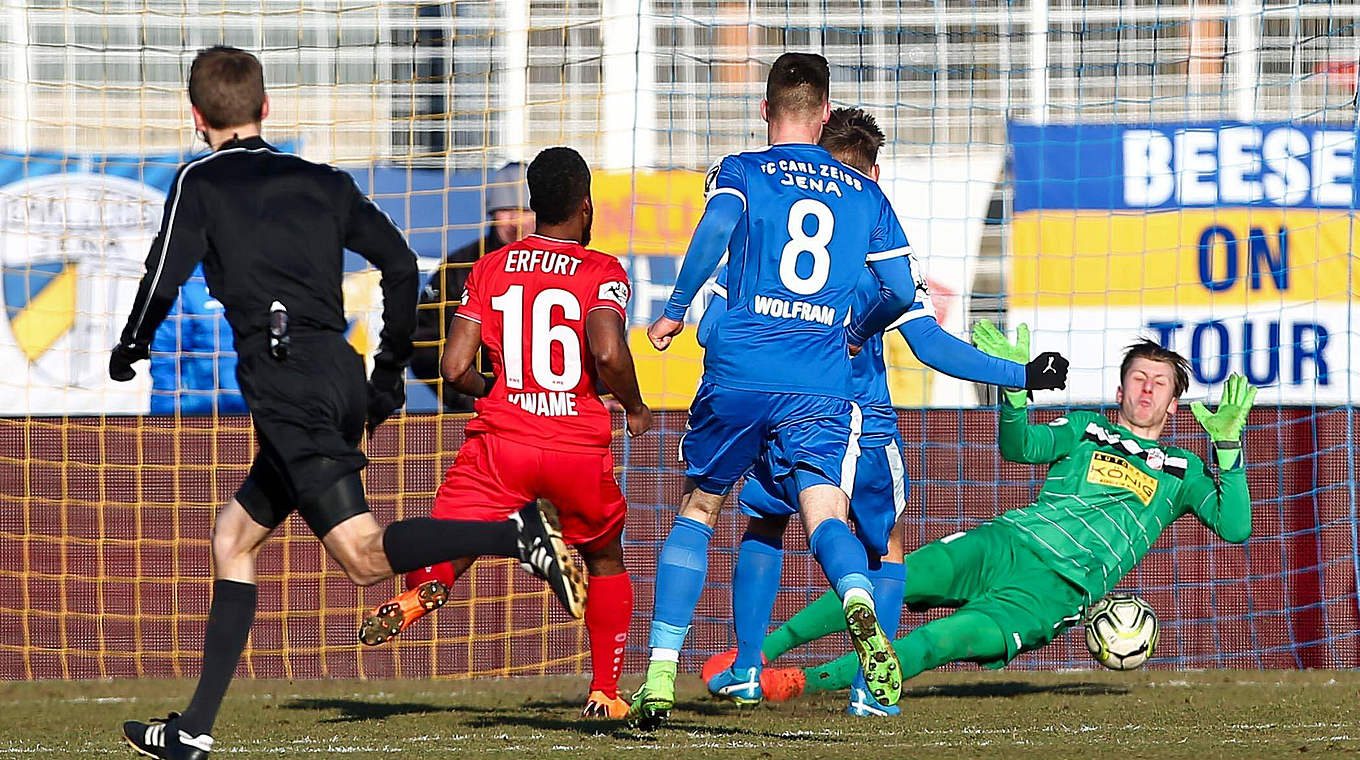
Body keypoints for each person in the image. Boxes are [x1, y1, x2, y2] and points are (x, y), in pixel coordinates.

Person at [110, 47, 583, 760]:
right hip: (336, 374)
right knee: (232, 538)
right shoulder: (322, 180)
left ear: (196, 116)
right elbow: (399, 261)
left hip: (286, 387)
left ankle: (515, 536)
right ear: (266, 109)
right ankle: (192, 730)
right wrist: (388, 373)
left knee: (363, 559)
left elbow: (160, 275)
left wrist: (131, 345)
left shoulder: (199, 182)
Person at [696, 107, 1069, 717]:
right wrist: (1019, 376)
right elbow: (931, 345)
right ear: (873, 172)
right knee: (886, 547)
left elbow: (710, 327)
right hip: (861, 427)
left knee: (763, 526)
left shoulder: (759, 233)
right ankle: (872, 689)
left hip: (773, 413)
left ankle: (744, 666)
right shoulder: (875, 241)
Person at [631, 52, 928, 728]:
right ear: (825, 114)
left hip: (742, 366)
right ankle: (856, 600)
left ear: (766, 110)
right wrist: (858, 329)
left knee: (700, 510)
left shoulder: (742, 170)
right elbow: (903, 290)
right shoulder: (865, 193)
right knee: (826, 515)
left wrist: (676, 310)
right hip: (821, 381)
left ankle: (657, 676)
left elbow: (716, 231)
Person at [749, 332, 1255, 705]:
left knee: (940, 641)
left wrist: (1228, 449)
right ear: (1121, 390)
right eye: (1138, 379)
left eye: (1159, 383)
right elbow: (1020, 447)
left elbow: (1235, 528)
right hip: (1004, 542)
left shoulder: (1183, 470)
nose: (1146, 390)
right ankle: (752, 659)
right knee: (894, 577)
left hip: (1052, 591)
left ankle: (801, 683)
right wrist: (1015, 397)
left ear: (1174, 401)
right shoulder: (1085, 429)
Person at [353, 146, 652, 720]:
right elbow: (609, 350)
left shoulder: (491, 267)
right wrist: (634, 406)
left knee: (450, 539)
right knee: (606, 560)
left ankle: (422, 592)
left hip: (502, 442)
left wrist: (498, 387)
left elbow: (453, 367)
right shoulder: (603, 271)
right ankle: (605, 692)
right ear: (585, 207)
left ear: (534, 206)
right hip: (575, 447)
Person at [410, 162, 534, 411]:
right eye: (506, 210)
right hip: (481, 407)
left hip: (549, 409)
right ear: (491, 213)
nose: (515, 222)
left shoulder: (564, 267)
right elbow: (423, 344)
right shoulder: (460, 267)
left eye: (524, 211)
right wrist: (469, 398)